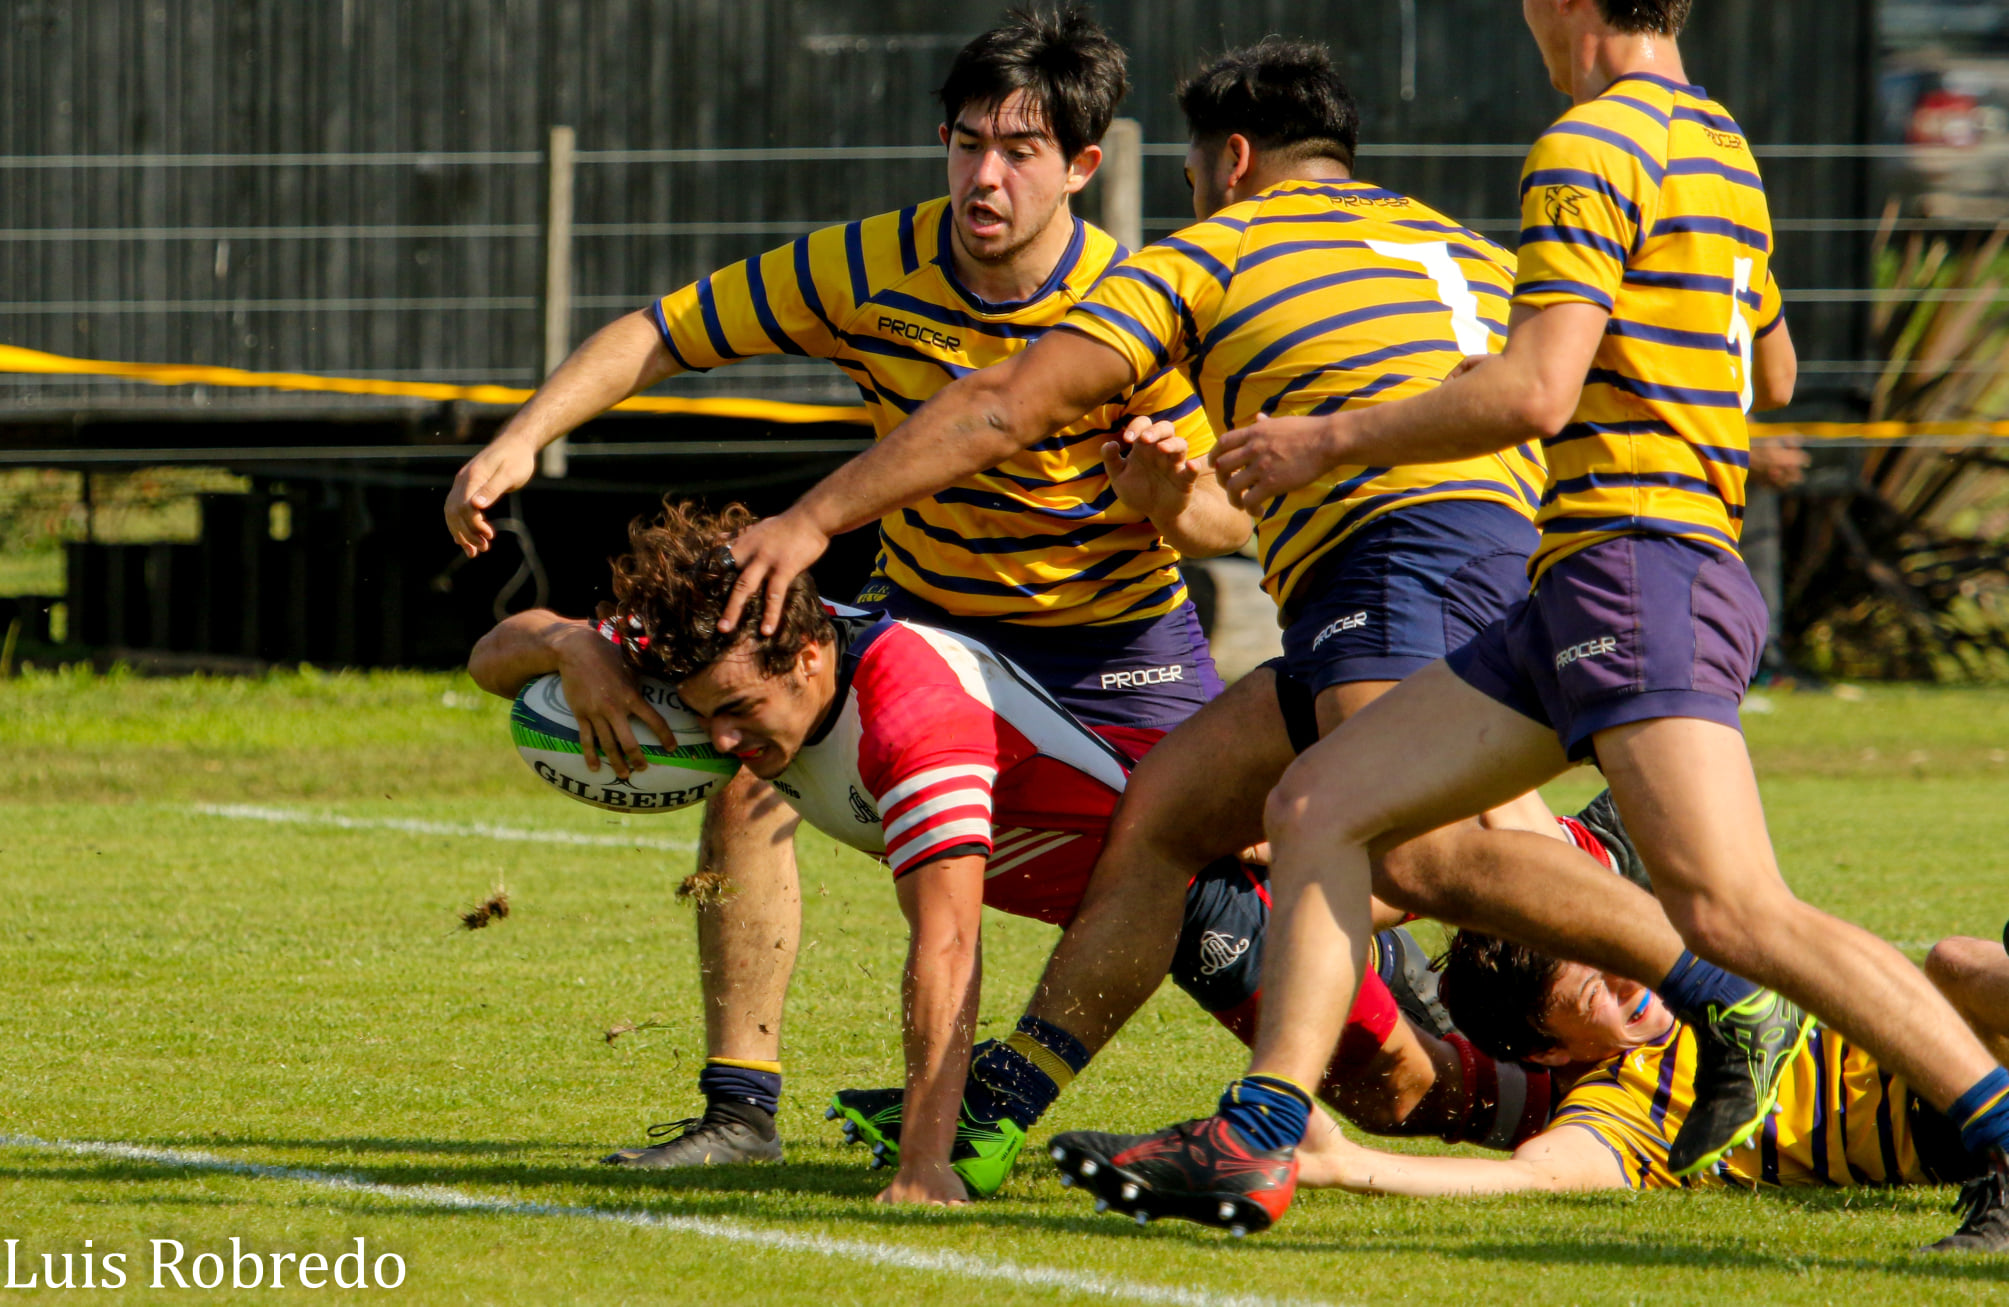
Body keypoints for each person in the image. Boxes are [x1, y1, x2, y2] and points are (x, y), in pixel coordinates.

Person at [713, 33, 1797, 1218]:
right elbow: (1740, 364)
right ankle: (1015, 1107)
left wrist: (811, 519)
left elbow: (1002, 405)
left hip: (1398, 552)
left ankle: (1717, 982)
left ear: (1230, 160)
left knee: (1408, 849)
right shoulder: (1459, 244)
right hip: (1447, 553)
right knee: (1166, 816)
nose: (1191, 195)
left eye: (1189, 174)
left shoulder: (1217, 248)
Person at [1049, 0, 2009, 1248]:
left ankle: (1993, 1128)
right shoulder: (1716, 141)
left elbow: (1536, 391)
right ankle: (1261, 1130)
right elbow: (1766, 370)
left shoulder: (1587, 143)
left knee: (1732, 914)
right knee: (1321, 803)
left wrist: (1321, 440)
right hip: (1590, 578)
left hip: (1635, 568)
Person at [443, 8, 1249, 1169]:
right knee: (750, 760)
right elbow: (660, 331)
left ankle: (1037, 1095)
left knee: (1210, 887)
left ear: (1082, 166)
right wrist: (522, 437)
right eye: (966, 143)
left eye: (1019, 152)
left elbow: (1229, 520)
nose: (984, 176)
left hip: (1114, 650)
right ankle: (738, 1112)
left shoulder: (1140, 301)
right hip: (927, 616)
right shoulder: (868, 266)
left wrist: (1169, 498)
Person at [465, 501, 1554, 1205]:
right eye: (704, 712)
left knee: (1407, 1094)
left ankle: (1608, 1086)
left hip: (1192, 895)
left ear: (808, 656)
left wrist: (924, 1163)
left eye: (739, 712)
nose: (718, 738)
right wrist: (572, 644)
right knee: (745, 793)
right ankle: (747, 1107)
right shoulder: (723, 647)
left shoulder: (913, 717)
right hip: (1130, 888)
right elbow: (488, 656)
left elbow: (946, 946)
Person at [1302, 927, 2009, 1254]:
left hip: (1954, 1041)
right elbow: (1530, 1177)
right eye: (1596, 994)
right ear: (1551, 1050)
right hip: (1936, 1118)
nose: (1628, 980)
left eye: (1611, 957)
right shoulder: (1623, 1104)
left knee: (1958, 961)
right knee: (1957, 962)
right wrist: (1344, 1165)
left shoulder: (1691, 964)